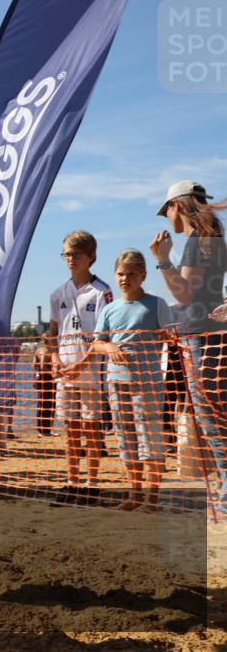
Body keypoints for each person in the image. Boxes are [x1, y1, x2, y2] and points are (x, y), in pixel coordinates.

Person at [70, 250, 173, 511]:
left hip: (147, 384)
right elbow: (97, 344)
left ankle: (152, 498)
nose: (125, 277)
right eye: (120, 273)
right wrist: (110, 348)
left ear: (143, 275)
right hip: (116, 384)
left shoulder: (157, 304)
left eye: (131, 273)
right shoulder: (110, 309)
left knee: (150, 440)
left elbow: (170, 338)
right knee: (126, 440)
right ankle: (134, 496)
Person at [150, 180, 227, 514]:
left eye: (166, 210)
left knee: (213, 420)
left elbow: (184, 294)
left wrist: (163, 260)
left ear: (177, 206)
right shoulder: (214, 236)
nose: (167, 219)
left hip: (203, 337)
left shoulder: (198, 240)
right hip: (214, 336)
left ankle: (225, 497)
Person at [49, 230, 113, 503]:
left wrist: (82, 365)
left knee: (92, 427)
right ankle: (72, 480)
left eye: (76, 254)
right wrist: (53, 358)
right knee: (71, 428)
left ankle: (92, 482)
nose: (70, 259)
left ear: (90, 257)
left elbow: (103, 337)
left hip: (91, 373)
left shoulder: (102, 292)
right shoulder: (58, 293)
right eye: (67, 254)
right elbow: (52, 332)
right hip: (65, 371)